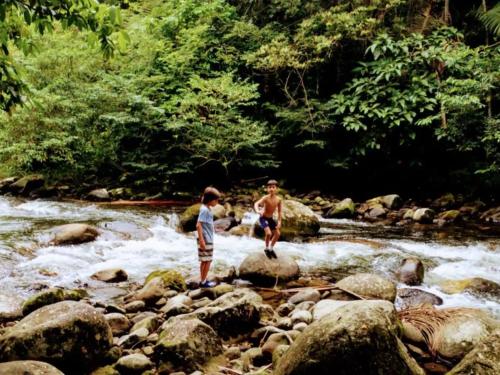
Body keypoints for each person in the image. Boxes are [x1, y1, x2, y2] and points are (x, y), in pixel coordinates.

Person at [196, 186, 221, 287]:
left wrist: (213, 229)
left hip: (207, 238)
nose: (217, 202)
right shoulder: (205, 210)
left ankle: (203, 280)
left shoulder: (206, 208)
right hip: (206, 239)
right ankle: (203, 282)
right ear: (210, 200)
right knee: (208, 260)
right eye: (216, 200)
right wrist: (202, 240)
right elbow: (198, 225)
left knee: (205, 260)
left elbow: (206, 224)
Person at [254, 179, 282, 259]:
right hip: (263, 218)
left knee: (277, 234)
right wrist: (258, 210)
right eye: (269, 187)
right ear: (267, 189)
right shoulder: (265, 198)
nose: (271, 189)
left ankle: (271, 248)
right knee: (269, 233)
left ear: (277, 189)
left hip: (270, 219)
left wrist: (279, 222)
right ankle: (266, 248)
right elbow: (256, 203)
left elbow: (280, 212)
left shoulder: (279, 200)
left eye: (273, 187)